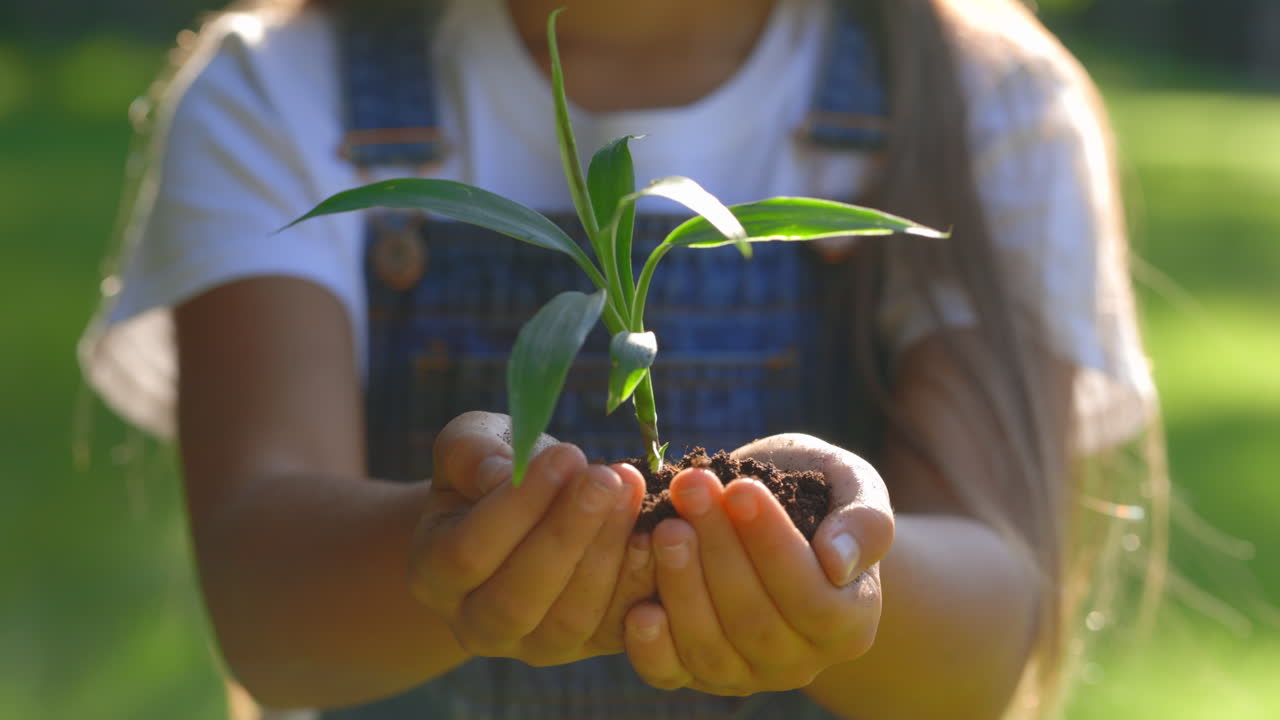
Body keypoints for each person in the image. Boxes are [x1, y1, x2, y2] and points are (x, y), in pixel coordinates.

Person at [79, 0, 1163, 718]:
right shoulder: (280, 90)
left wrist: (836, 564)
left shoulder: (984, 103)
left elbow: (989, 633)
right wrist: (444, 556)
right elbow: (265, 604)